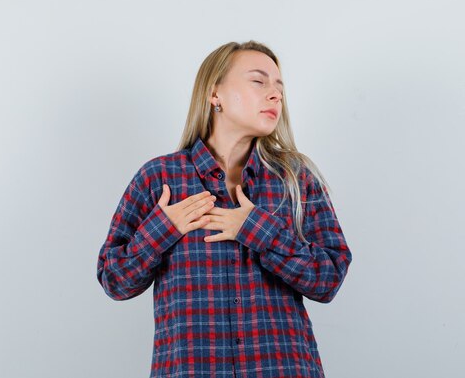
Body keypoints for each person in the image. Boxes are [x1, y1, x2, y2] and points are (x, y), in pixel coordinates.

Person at [96, 40, 353, 378]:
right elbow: (115, 280)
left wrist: (257, 230)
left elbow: (329, 278)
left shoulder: (296, 178)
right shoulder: (158, 179)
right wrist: (163, 228)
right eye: (259, 81)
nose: (275, 95)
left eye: (279, 86)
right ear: (214, 94)